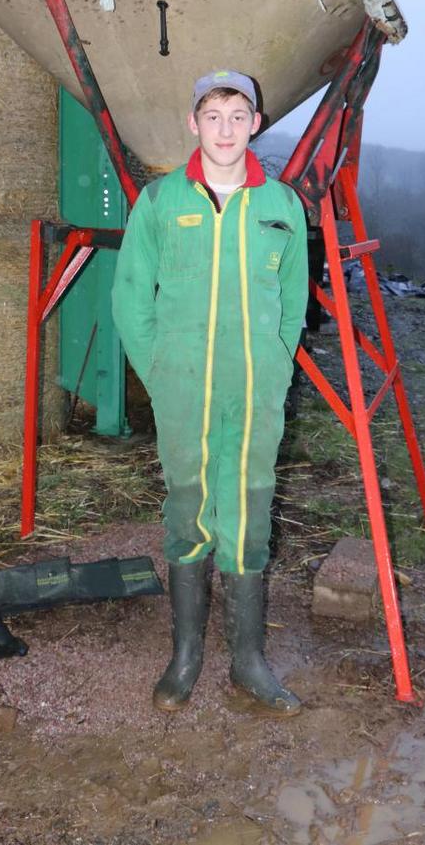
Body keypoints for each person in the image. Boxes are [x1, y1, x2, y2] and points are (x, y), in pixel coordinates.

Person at [112, 69, 308, 715]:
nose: (225, 128)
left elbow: (293, 304)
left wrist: (275, 366)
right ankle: (186, 654)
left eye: (237, 114)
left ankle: (248, 659)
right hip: (184, 392)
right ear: (192, 124)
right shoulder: (162, 202)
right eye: (212, 114)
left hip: (255, 393)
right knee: (187, 508)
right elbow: (131, 298)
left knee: (249, 511)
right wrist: (162, 371)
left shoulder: (282, 206)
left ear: (255, 123)